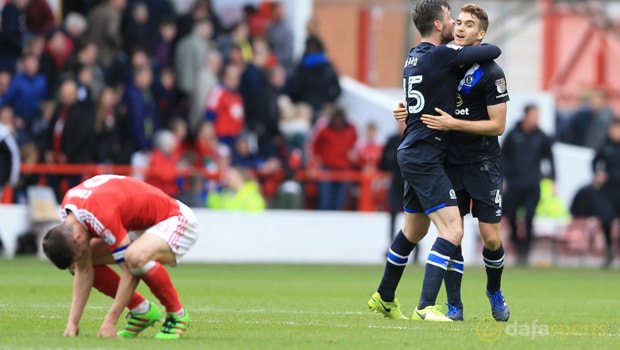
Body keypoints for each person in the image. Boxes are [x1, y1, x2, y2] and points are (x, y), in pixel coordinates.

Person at [367, 0, 501, 322]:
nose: (455, 23)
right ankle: (425, 307)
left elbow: (424, 96)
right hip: (426, 155)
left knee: (413, 230)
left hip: (412, 150)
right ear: (439, 25)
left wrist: (405, 111)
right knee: (453, 231)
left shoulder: (414, 56)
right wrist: (472, 40)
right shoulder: (441, 55)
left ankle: (384, 297)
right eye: (450, 18)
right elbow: (492, 50)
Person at [41, 174, 198, 339]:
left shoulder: (100, 215)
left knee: (135, 258)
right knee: (78, 265)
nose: (82, 257)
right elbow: (83, 269)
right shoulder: (69, 214)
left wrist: (110, 321)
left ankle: (177, 314)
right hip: (140, 227)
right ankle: (142, 311)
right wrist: (72, 324)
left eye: (79, 253)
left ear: (76, 238)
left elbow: (129, 271)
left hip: (175, 219)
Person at [501, 104, 555, 265]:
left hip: (532, 183)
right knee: (510, 215)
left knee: (530, 215)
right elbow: (503, 157)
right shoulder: (512, 134)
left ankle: (526, 249)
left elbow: (550, 159)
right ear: (526, 115)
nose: (536, 118)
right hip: (514, 183)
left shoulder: (542, 136)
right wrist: (502, 178)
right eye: (534, 114)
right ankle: (516, 242)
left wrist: (553, 180)